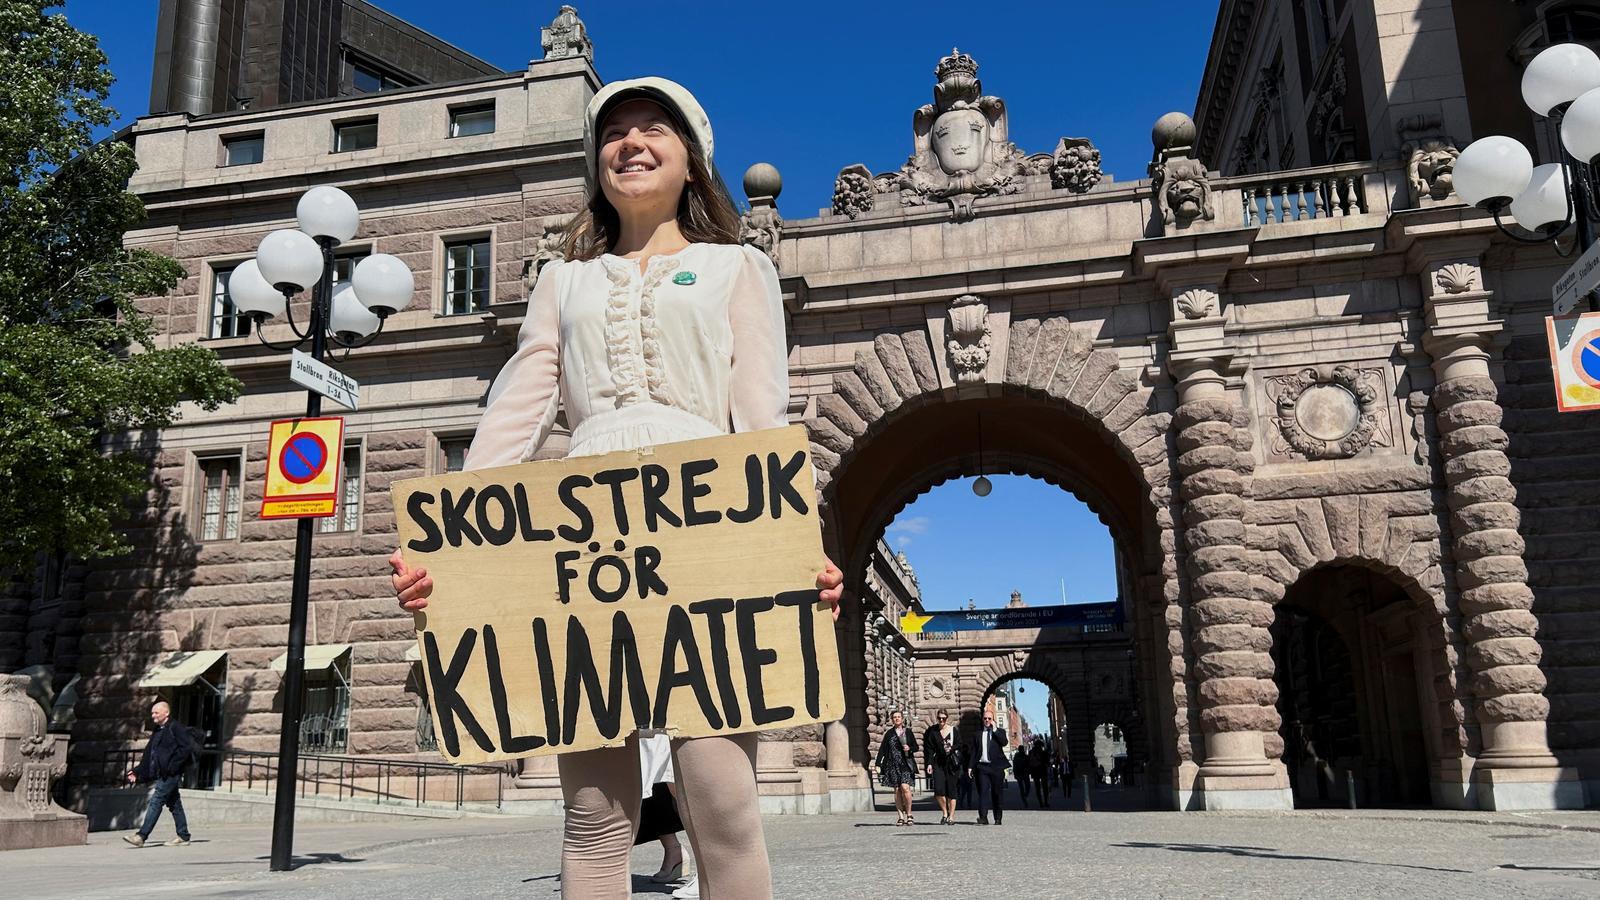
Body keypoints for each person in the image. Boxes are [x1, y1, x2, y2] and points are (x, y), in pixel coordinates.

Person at [389, 76, 846, 900]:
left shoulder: (738, 267)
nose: (631, 143)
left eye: (654, 130)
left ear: (692, 159)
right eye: (615, 132)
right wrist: (443, 540)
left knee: (722, 803)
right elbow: (513, 415)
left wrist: (795, 550)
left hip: (712, 529)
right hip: (582, 540)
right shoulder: (562, 283)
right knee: (595, 815)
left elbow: (763, 421)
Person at [122, 699, 195, 848]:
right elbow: (150, 753)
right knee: (175, 804)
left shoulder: (176, 727)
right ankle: (183, 835)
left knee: (156, 800)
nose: (153, 716)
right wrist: (137, 771)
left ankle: (141, 836)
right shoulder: (158, 730)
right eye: (152, 713)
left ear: (166, 713)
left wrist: (173, 766)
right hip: (162, 773)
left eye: (156, 712)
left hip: (171, 774)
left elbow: (186, 748)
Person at [875, 710, 918, 826]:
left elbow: (916, 747)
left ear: (902, 719)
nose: (897, 719)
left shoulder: (908, 732)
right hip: (892, 764)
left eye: (899, 717)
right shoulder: (889, 733)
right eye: (894, 717)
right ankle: (900, 816)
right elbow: (883, 749)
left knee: (905, 788)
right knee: (897, 790)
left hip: (905, 764)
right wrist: (878, 763)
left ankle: (909, 814)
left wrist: (910, 748)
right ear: (892, 720)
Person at [967, 711, 1008, 825]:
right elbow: (974, 752)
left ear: (993, 720)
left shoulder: (999, 732)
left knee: (997, 793)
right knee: (983, 792)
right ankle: (983, 817)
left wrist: (995, 730)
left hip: (996, 767)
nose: (987, 721)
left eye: (989, 718)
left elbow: (1004, 742)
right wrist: (970, 766)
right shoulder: (978, 734)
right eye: (985, 718)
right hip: (982, 767)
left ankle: (998, 817)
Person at [922, 709, 960, 825]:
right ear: (937, 718)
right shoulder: (933, 731)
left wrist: (952, 748)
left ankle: (951, 816)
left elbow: (960, 744)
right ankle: (945, 812)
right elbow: (929, 749)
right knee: (939, 791)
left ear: (947, 718)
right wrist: (929, 763)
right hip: (938, 763)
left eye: (944, 718)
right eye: (940, 718)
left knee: (951, 790)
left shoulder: (953, 730)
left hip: (951, 764)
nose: (942, 720)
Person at [1030, 739, 1051, 808]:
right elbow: (1047, 762)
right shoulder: (1043, 753)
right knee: (1045, 788)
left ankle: (1041, 803)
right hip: (1042, 771)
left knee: (1038, 788)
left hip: (1035, 772)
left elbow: (1029, 763)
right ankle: (1045, 802)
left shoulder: (1031, 753)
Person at [1012, 743, 1032, 808]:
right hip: (1020, 774)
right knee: (1024, 788)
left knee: (1026, 787)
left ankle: (1025, 797)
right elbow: (1015, 766)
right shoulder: (1017, 757)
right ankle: (1025, 800)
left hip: (1023, 774)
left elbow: (1029, 764)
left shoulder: (1025, 756)